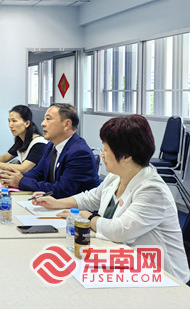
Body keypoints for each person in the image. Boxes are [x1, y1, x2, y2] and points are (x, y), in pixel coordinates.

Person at [33, 115, 190, 284]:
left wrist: (88, 217)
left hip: (163, 277)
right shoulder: (116, 177)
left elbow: (120, 231)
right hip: (127, 264)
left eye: (106, 149)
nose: (102, 154)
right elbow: (91, 198)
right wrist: (57, 203)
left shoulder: (152, 190)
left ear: (126, 155)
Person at [0, 103, 99, 198]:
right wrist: (14, 178)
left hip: (74, 208)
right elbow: (37, 173)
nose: (42, 123)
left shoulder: (79, 153)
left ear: (67, 124)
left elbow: (62, 190)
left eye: (48, 119)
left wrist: (21, 181)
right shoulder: (51, 146)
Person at [0, 105, 47, 173]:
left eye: (14, 121)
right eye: (9, 121)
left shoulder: (39, 143)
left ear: (27, 123)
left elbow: (24, 168)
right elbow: (4, 158)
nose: (10, 125)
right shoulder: (21, 140)